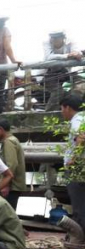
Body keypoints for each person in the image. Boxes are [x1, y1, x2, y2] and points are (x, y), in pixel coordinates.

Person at [61, 93, 85, 231]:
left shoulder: (77, 120)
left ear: (68, 107)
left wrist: (73, 160)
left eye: (62, 109)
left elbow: (81, 137)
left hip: (77, 169)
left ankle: (81, 243)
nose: (62, 112)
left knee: (79, 207)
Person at [0, 118, 26, 209]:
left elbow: (12, 165)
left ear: (0, 129)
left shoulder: (8, 142)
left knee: (6, 215)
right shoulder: (13, 140)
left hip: (11, 186)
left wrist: (6, 185)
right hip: (13, 185)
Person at [43, 31, 83, 111]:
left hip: (67, 72)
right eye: (52, 38)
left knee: (81, 85)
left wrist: (77, 54)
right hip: (49, 73)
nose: (54, 40)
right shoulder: (46, 43)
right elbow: (48, 57)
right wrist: (66, 56)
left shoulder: (71, 42)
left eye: (57, 38)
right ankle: (48, 114)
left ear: (63, 38)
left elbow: (77, 52)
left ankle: (72, 109)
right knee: (58, 92)